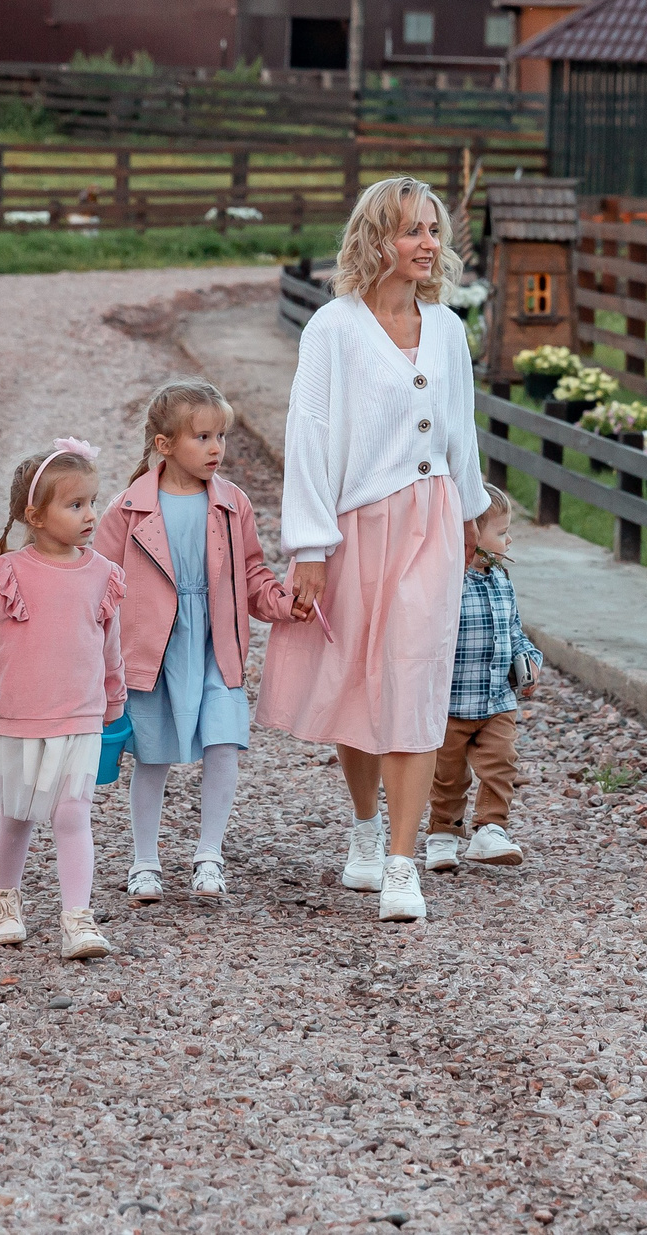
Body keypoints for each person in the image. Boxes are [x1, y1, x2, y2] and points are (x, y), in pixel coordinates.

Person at [258, 176, 485, 924]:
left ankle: (400, 860)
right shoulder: (334, 327)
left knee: (414, 682)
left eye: (433, 230)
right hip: (356, 526)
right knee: (358, 679)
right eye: (413, 230)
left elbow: (461, 433)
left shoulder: (448, 330)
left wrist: (473, 519)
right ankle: (363, 830)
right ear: (376, 238)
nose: (429, 243)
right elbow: (310, 436)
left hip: (432, 522)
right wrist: (311, 546)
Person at [0, 438, 124, 961]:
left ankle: (77, 918)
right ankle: (6, 901)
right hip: (21, 715)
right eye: (74, 504)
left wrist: (115, 702)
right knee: (16, 814)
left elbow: (109, 647)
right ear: (34, 515)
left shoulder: (103, 573)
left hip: (80, 717)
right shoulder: (8, 572)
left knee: (72, 813)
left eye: (92, 501)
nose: (89, 514)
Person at [109, 379, 295, 906]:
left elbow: (253, 572)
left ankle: (209, 854)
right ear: (164, 445)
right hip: (154, 651)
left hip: (217, 645)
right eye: (203, 437)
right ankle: (144, 862)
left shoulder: (233, 503)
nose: (216, 448)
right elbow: (96, 581)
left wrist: (283, 603)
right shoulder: (127, 509)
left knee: (223, 742)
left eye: (221, 436)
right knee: (151, 753)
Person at [426, 483, 543, 873]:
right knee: (447, 773)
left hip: (496, 699)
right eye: (502, 531)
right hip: (451, 703)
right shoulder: (446, 582)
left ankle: (490, 828)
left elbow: (514, 631)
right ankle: (443, 832)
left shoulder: (501, 582)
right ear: (471, 535)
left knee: (502, 762)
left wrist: (528, 658)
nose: (509, 540)